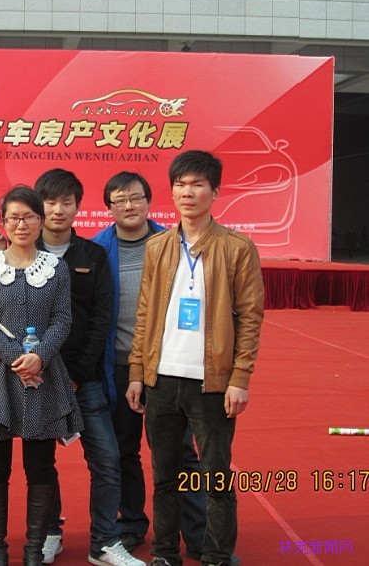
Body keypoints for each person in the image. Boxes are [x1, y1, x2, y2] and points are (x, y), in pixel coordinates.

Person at [126, 151, 264, 566]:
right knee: (165, 478)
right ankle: (165, 553)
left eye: (197, 184)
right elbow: (145, 313)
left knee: (215, 477)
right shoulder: (158, 246)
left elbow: (250, 317)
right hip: (161, 379)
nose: (187, 192)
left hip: (212, 382)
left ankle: (217, 555)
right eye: (180, 184)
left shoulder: (237, 248)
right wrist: (137, 372)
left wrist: (239, 378)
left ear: (215, 192)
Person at [0, 186, 83, 566]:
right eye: (13, 217)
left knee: (41, 466)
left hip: (43, 379)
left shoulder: (56, 268)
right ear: (3, 222)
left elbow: (63, 320)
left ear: (40, 221)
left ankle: (33, 552)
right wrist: (19, 356)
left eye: (29, 217)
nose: (21, 224)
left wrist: (39, 357)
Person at [33, 169, 144, 566]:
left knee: (107, 459)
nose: (58, 210)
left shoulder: (93, 256)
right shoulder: (22, 253)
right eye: (50, 202)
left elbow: (101, 320)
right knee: (41, 465)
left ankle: (104, 542)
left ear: (78, 207)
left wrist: (78, 374)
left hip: (86, 380)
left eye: (67, 202)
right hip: (37, 380)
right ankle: (49, 533)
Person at [92, 172, 206, 558]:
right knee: (124, 451)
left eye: (136, 198)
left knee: (182, 453)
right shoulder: (98, 250)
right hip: (119, 366)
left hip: (167, 365)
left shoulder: (175, 245)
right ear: (108, 207)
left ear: (149, 202)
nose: (129, 206)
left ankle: (198, 533)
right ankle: (131, 523)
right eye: (120, 200)